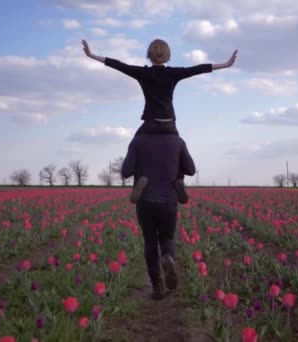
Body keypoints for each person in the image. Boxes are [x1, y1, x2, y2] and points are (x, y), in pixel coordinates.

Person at [81, 39, 237, 203]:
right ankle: (179, 181)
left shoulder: (143, 73)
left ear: (149, 55)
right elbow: (197, 69)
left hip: (150, 123)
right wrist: (225, 64)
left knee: (135, 146)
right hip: (169, 124)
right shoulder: (173, 73)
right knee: (180, 151)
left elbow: (119, 65)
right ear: (168, 56)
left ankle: (138, 186)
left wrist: (92, 55)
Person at [121, 132, 196, 300]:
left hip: (145, 201)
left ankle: (157, 287)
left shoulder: (138, 140)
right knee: (167, 238)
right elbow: (191, 169)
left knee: (150, 240)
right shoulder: (178, 141)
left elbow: (126, 171)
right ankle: (168, 256)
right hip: (169, 200)